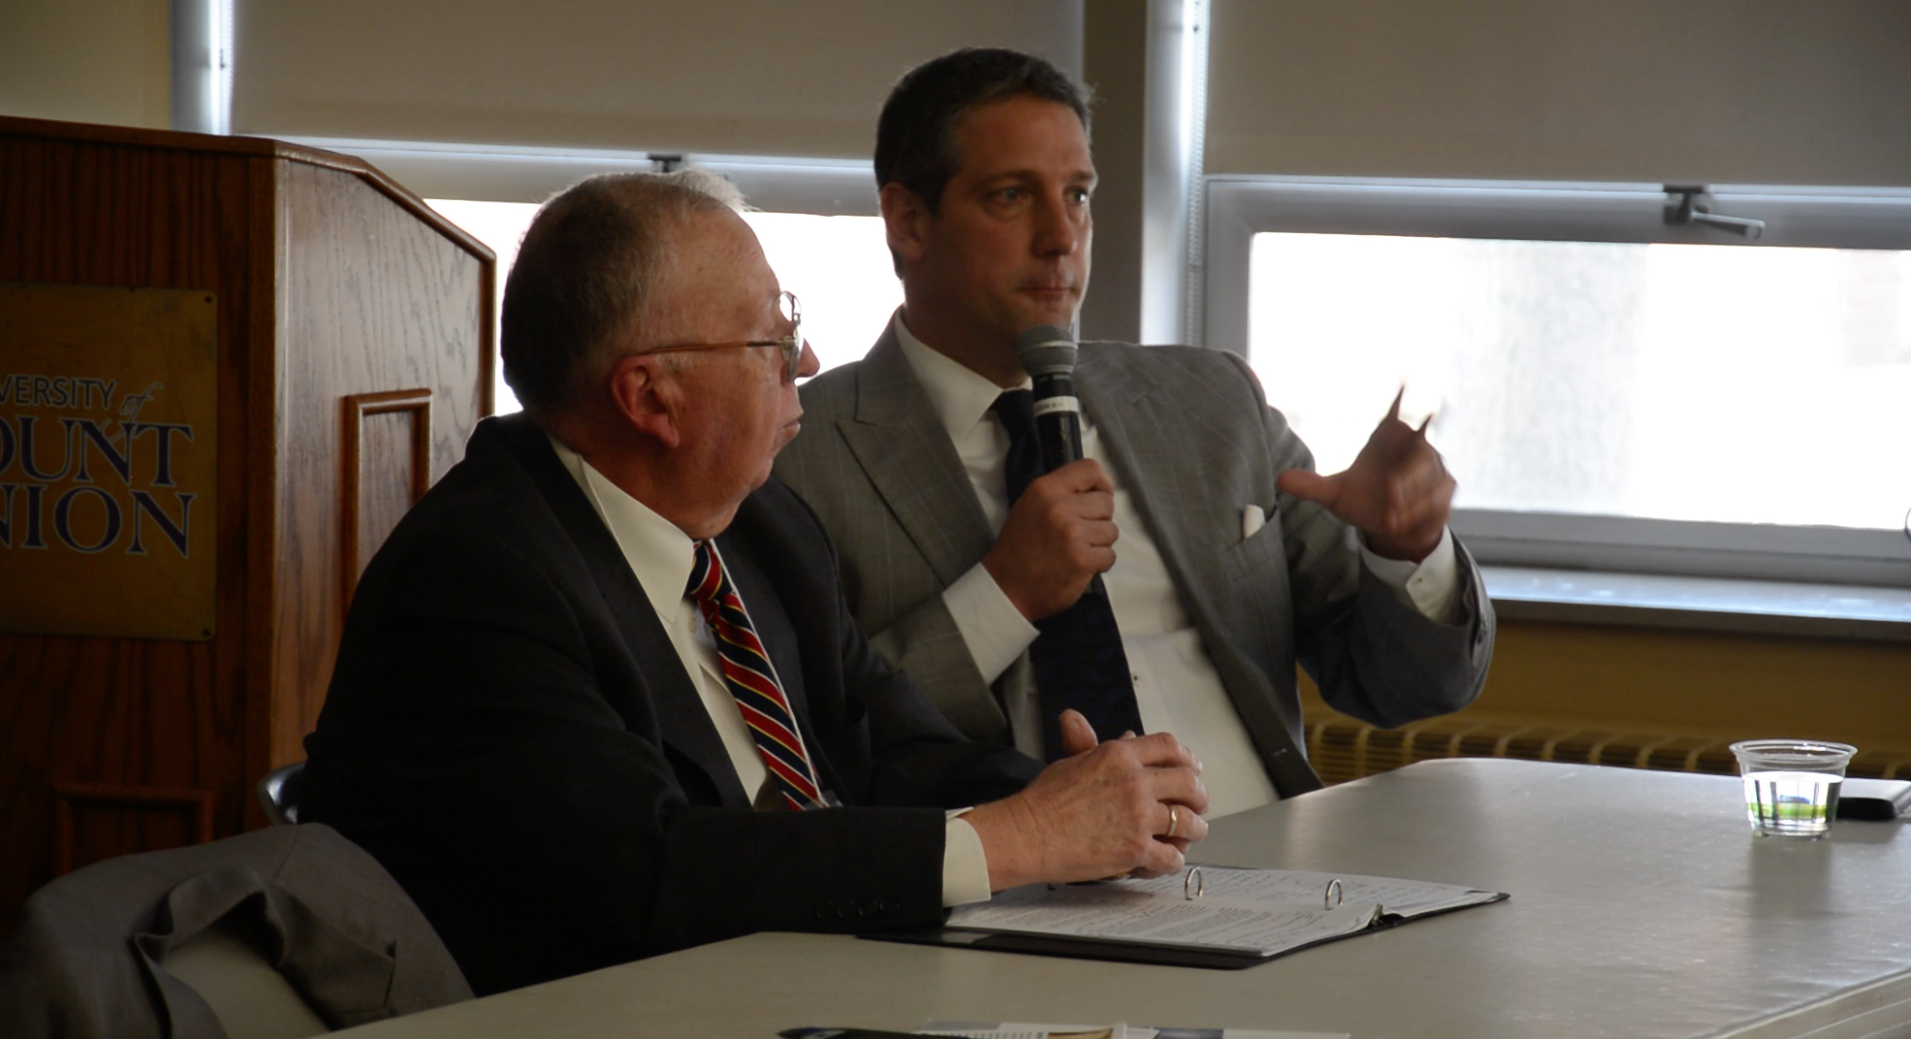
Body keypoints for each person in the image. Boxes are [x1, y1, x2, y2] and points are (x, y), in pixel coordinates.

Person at [298, 170, 1209, 997]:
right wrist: (1023, 839)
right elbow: (652, 873)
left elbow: (888, 747)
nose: (805, 363)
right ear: (651, 397)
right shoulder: (478, 582)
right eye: (773, 338)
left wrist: (1082, 803)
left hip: (808, 980)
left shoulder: (761, 527)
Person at [774, 48, 1495, 817]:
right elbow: (809, 742)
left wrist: (1406, 550)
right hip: (1008, 898)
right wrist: (1005, 592)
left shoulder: (1211, 402)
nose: (1061, 236)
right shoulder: (797, 450)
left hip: (1270, 871)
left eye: (1077, 194)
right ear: (908, 222)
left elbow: (1407, 688)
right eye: (1011, 195)